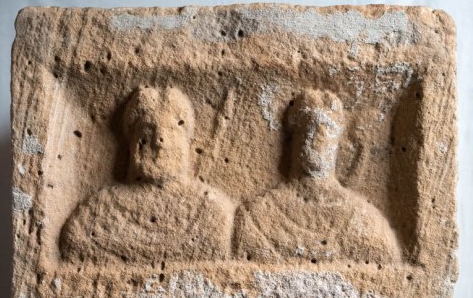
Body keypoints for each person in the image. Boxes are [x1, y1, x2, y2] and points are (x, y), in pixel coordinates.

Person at [60, 87, 234, 265]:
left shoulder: (211, 211)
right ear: (132, 142)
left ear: (187, 141)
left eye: (172, 130)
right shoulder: (100, 211)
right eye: (148, 130)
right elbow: (73, 240)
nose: (160, 139)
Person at [233, 89, 401, 265]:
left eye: (328, 130)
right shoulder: (257, 216)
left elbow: (385, 258)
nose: (318, 138)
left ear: (339, 142)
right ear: (292, 140)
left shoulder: (367, 222)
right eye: (309, 128)